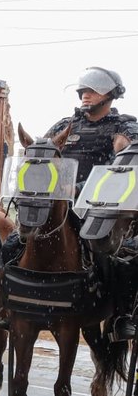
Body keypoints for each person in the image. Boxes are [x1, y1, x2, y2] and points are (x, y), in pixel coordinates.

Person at [47, 67, 138, 339]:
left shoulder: (125, 126)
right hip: (62, 205)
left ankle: (122, 315)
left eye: (92, 91)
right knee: (17, 242)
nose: (85, 96)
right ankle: (11, 303)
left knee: (123, 257)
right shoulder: (64, 125)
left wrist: (125, 147)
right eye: (83, 91)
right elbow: (41, 154)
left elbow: (124, 166)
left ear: (110, 95)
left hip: (102, 207)